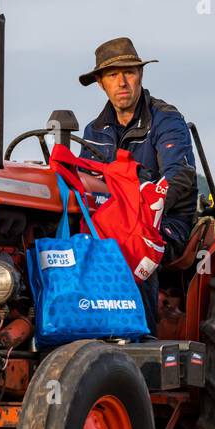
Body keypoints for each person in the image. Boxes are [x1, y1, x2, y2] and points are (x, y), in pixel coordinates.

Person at [76, 37, 198, 334]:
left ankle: (139, 338)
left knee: (130, 247)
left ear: (140, 75)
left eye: (129, 72)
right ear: (100, 83)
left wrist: (141, 205)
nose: (122, 82)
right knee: (72, 248)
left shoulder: (165, 119)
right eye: (112, 75)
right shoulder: (95, 130)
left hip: (165, 221)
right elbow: (83, 181)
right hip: (108, 222)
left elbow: (181, 177)